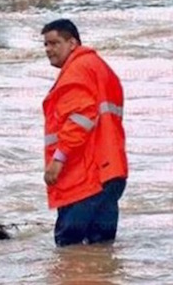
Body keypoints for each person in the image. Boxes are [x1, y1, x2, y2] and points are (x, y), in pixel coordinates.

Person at [41, 19, 128, 247]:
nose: (49, 50)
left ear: (72, 43)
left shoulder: (77, 70)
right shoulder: (99, 67)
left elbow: (80, 118)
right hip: (110, 171)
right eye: (45, 45)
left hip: (86, 175)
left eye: (54, 43)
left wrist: (58, 159)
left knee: (69, 247)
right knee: (100, 249)